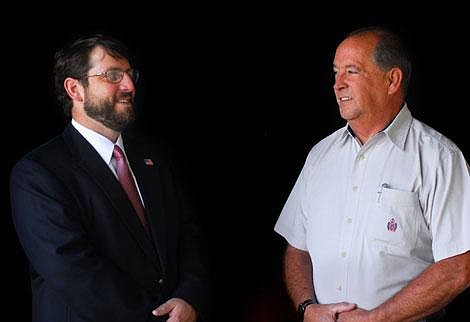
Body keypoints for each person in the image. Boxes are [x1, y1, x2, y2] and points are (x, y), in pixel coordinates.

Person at [274, 26, 470, 322]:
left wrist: (376, 318)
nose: (337, 84)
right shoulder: (320, 157)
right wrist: (307, 307)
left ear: (392, 80)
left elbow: (459, 267)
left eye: (351, 71)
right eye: (335, 72)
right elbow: (297, 248)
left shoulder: (440, 158)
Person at [10, 34, 209, 322]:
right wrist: (157, 318)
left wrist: (189, 297)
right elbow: (74, 271)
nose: (129, 85)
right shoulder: (38, 173)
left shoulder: (154, 158)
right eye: (112, 75)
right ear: (75, 89)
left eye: (130, 74)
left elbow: (190, 239)